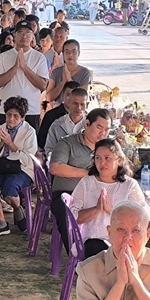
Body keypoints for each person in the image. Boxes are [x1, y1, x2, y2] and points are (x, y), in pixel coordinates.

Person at [70, 139, 146, 259]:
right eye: (98, 158)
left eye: (107, 158)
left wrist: (112, 210)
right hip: (92, 239)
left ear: (119, 160)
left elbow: (140, 219)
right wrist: (96, 210)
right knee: (97, 251)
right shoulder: (86, 183)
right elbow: (74, 218)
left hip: (123, 240)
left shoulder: (130, 186)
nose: (102, 163)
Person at [50, 108, 111, 253]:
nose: (103, 133)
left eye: (107, 129)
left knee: (122, 211)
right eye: (99, 127)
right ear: (87, 124)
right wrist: (88, 174)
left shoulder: (108, 148)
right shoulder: (67, 143)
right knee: (67, 214)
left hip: (97, 195)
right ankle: (78, 255)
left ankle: (111, 255)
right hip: (67, 194)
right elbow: (55, 168)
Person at [0, 97, 38, 236]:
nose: (11, 119)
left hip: (21, 169)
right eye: (8, 115)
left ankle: (17, 208)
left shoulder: (29, 132)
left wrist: (10, 143)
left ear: (22, 117)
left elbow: (28, 159)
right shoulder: (0, 129)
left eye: (16, 116)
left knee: (9, 189)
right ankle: (2, 224)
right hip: (2, 167)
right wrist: (2, 143)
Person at [0, 20, 49, 131]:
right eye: (21, 33)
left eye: (28, 33)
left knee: (29, 142)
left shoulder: (39, 57)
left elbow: (43, 85)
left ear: (33, 36)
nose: (24, 36)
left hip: (31, 111)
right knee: (5, 141)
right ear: (14, 35)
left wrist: (24, 67)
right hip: (7, 112)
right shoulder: (4, 56)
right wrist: (15, 68)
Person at [45, 39, 91, 108]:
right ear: (63, 54)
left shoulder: (85, 73)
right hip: (58, 109)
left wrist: (69, 80)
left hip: (77, 110)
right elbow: (48, 98)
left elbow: (82, 98)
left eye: (74, 52)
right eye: (67, 52)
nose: (70, 55)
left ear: (78, 53)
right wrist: (63, 82)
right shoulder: (56, 72)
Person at [37, 81, 81, 151]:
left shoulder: (85, 119)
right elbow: (41, 141)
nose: (71, 99)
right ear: (63, 95)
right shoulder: (51, 115)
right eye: (68, 95)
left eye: (75, 96)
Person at [44, 87, 88, 156]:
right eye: (75, 103)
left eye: (82, 104)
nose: (79, 108)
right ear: (69, 103)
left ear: (87, 105)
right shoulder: (57, 125)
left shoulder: (90, 126)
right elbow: (49, 149)